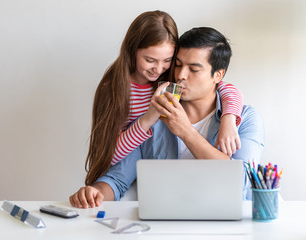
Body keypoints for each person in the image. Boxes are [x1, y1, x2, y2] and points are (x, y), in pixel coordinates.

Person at [70, 27, 264, 208]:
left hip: (222, 219)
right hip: (161, 221)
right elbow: (118, 179)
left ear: (218, 75)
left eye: (194, 69)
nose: (181, 75)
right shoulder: (155, 115)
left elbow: (243, 185)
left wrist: (186, 131)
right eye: (178, 65)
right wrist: (94, 192)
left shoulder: (245, 118)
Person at [85, 10, 244, 187]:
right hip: (122, 172)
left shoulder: (171, 79)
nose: (158, 69)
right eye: (150, 60)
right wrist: (148, 118)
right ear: (132, 51)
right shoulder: (115, 89)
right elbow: (110, 155)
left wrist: (228, 119)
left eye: (168, 60)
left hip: (156, 179)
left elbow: (225, 88)